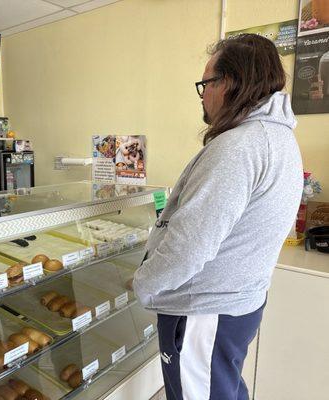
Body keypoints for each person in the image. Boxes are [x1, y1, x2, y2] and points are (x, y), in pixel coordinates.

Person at [133, 34, 303, 400]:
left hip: (204, 311)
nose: (203, 95)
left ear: (229, 83)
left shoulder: (237, 148)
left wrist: (145, 285)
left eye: (206, 83)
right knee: (221, 389)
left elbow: (187, 248)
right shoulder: (277, 137)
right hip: (235, 304)